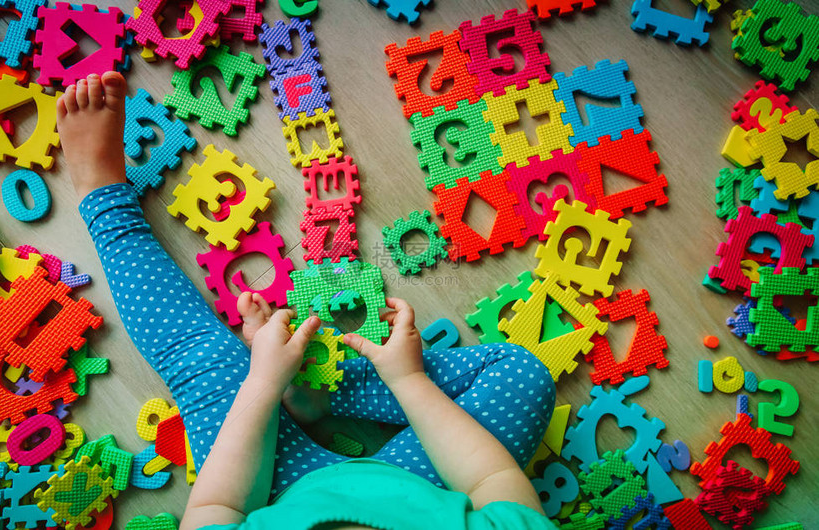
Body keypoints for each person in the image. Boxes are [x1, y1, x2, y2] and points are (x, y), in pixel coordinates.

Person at [57, 71, 558, 530]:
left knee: (198, 356)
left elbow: (219, 509)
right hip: (428, 487)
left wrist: (263, 382)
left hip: (274, 489)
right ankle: (318, 384)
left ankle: (102, 197)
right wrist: (409, 381)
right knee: (520, 376)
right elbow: (492, 483)